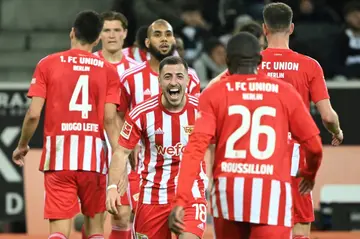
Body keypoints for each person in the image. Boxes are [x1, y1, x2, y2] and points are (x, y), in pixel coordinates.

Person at [168, 32, 323, 239]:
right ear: (260, 60)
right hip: (271, 194)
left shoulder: (213, 93)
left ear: (227, 61)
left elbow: (195, 148)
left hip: (228, 193)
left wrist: (181, 200)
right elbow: (313, 145)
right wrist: (309, 173)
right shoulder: (284, 92)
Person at [206, 4, 343, 237]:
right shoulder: (310, 66)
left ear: (264, 28)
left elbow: (210, 89)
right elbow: (328, 116)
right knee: (299, 225)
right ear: (291, 28)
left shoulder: (249, 63)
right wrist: (337, 131)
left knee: (253, 223)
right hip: (294, 161)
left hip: (256, 157)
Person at [12, 10, 121, 239]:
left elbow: (33, 114)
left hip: (59, 157)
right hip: (94, 159)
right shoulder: (109, 71)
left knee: (59, 233)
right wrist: (122, 156)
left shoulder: (48, 64)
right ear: (98, 39)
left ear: (72, 32)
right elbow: (110, 120)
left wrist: (22, 145)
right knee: (95, 231)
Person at [106, 56, 208, 239]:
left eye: (179, 76)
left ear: (187, 80)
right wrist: (112, 186)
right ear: (159, 81)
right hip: (152, 197)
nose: (174, 82)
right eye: (168, 77)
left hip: (191, 194)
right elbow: (121, 152)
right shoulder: (141, 113)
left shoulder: (202, 111)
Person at [93, 10, 138, 239]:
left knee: (122, 213)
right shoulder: (89, 65)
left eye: (116, 30)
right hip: (93, 147)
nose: (112, 35)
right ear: (99, 34)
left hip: (124, 148)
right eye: (106, 30)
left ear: (125, 33)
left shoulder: (135, 70)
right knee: (95, 215)